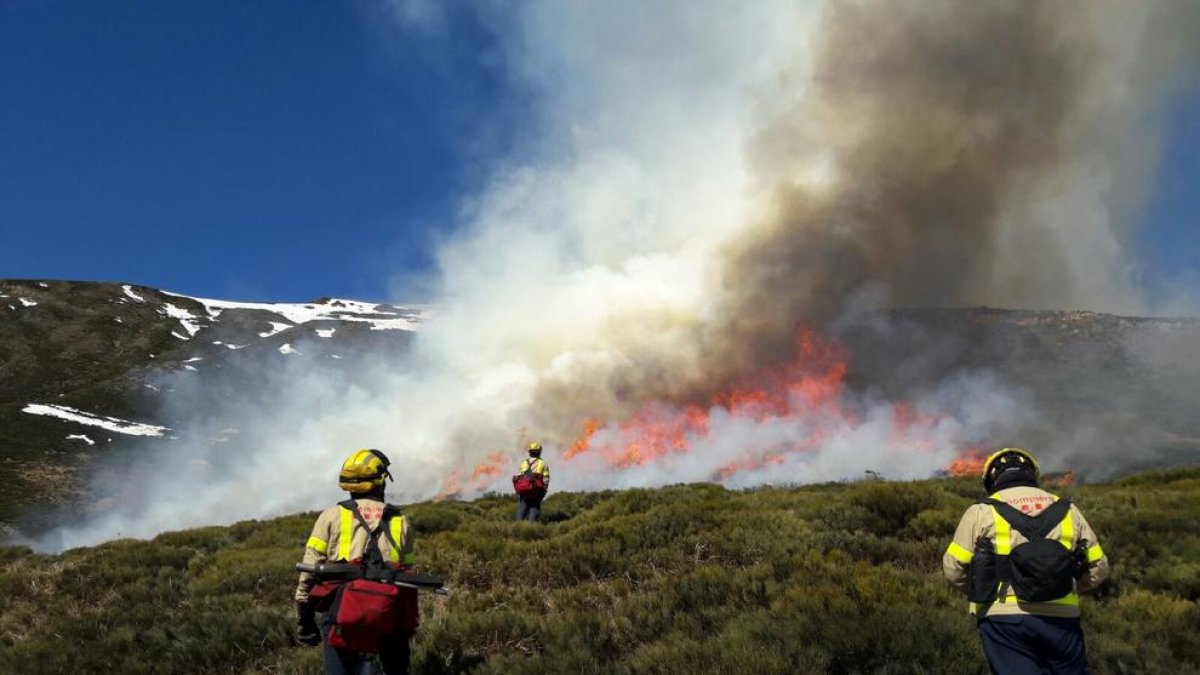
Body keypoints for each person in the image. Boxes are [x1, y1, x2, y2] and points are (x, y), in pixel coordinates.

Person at [943, 447, 1110, 675]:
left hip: (1004, 620)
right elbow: (1099, 567)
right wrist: (1068, 586)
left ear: (992, 478)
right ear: (1032, 474)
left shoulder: (980, 511)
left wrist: (983, 591)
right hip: (1062, 618)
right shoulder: (1068, 509)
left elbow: (953, 569)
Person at [295, 449, 417, 675]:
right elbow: (407, 572)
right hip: (388, 613)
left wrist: (305, 617)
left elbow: (308, 573)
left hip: (342, 615)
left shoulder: (331, 516)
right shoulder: (402, 522)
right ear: (381, 482)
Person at [514, 441, 551, 522]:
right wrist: (544, 490)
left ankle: (518, 526)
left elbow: (519, 477)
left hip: (524, 490)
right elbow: (546, 479)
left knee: (522, 507)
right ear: (539, 452)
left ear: (530, 452)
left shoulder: (523, 463)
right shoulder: (543, 463)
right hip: (536, 489)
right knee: (535, 507)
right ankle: (531, 526)